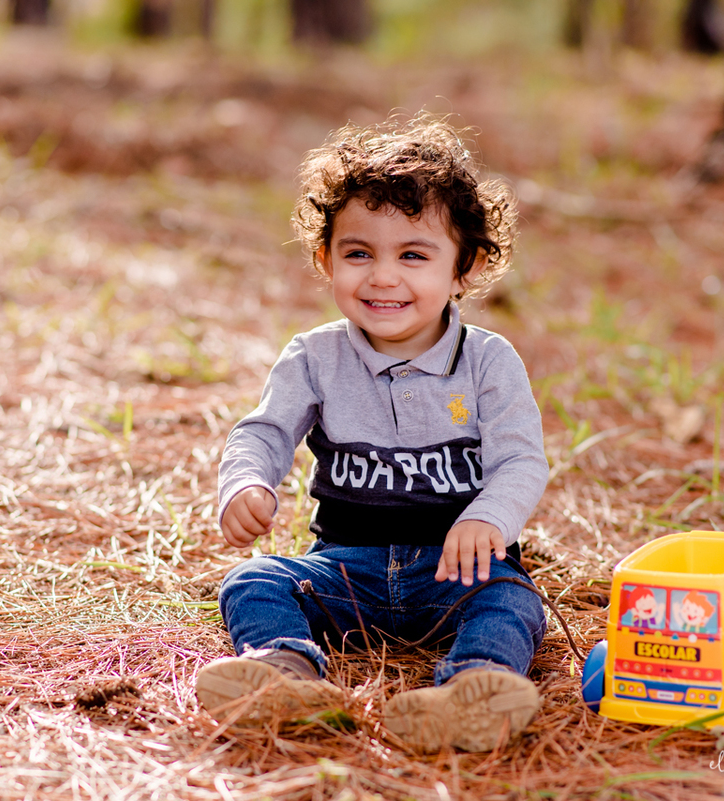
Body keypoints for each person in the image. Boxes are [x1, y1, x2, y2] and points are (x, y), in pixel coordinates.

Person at [194, 113, 550, 753]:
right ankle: (285, 673)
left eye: (413, 255)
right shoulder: (314, 356)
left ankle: (474, 690)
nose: (383, 276)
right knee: (252, 582)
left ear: (462, 268)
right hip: (346, 571)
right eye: (358, 253)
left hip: (458, 570)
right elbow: (263, 432)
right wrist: (247, 481)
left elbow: (521, 461)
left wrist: (488, 521)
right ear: (326, 258)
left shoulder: (489, 361)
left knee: (514, 605)